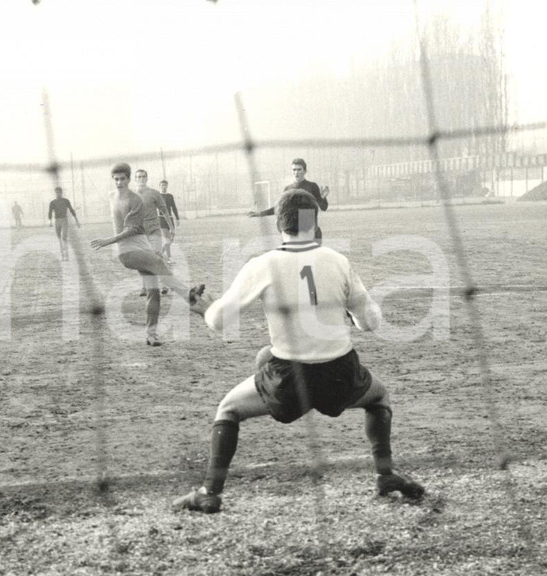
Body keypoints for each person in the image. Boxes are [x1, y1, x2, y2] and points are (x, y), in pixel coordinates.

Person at [175, 189, 424, 513]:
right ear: (314, 222)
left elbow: (219, 322)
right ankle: (385, 474)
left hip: (288, 381)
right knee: (379, 397)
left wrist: (205, 309)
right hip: (340, 376)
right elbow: (371, 323)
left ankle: (209, 492)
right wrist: (351, 313)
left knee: (228, 409)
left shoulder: (263, 264)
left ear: (279, 224)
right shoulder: (338, 261)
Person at [89, 162, 206, 347]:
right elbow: (125, 229)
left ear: (128, 179)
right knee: (160, 265)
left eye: (122, 179)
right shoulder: (111, 196)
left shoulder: (136, 199)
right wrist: (110, 241)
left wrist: (108, 240)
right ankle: (190, 297)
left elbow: (133, 229)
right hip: (126, 251)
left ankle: (151, 335)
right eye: (116, 179)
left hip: (141, 244)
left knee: (154, 292)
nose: (119, 182)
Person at [247, 158, 329, 239]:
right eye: (294, 170)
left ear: (305, 171)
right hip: (294, 234)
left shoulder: (312, 186)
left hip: (312, 232)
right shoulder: (288, 189)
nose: (296, 172)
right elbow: (279, 208)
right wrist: (260, 213)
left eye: (299, 169)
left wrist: (323, 198)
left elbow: (324, 207)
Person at [133, 168, 174, 295]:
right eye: (138, 177)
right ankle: (144, 287)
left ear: (146, 178)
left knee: (157, 258)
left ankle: (165, 285)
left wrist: (171, 227)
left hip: (154, 231)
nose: (141, 179)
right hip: (139, 233)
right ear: (135, 179)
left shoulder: (154, 193)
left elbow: (164, 211)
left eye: (143, 176)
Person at [47, 187, 80, 261]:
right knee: (59, 238)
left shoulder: (66, 201)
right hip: (57, 221)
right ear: (55, 193)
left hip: (64, 220)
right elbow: (50, 212)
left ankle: (66, 256)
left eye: (59, 192)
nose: (58, 194)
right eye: (56, 192)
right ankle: (62, 256)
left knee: (64, 237)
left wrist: (77, 221)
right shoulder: (52, 202)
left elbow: (71, 210)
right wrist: (50, 221)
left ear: (61, 193)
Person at [157, 179, 181, 265]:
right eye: (162, 185)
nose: (164, 187)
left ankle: (158, 254)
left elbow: (174, 207)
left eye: (165, 185)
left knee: (171, 239)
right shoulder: (157, 196)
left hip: (170, 219)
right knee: (166, 238)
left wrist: (177, 218)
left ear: (167, 186)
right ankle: (169, 258)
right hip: (161, 219)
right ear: (159, 186)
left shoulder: (170, 196)